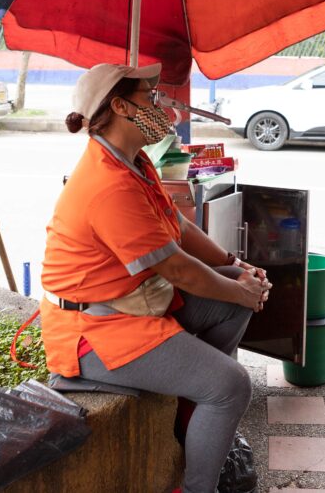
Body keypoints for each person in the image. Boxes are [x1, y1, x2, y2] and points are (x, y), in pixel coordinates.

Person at [40, 62, 271, 493]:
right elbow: (177, 268)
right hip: (93, 332)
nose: (162, 107)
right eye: (151, 97)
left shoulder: (134, 160)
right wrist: (240, 289)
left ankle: (191, 409)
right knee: (231, 385)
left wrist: (235, 267)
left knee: (230, 300)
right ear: (121, 107)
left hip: (131, 307)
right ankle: (198, 486)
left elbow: (179, 228)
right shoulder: (108, 184)